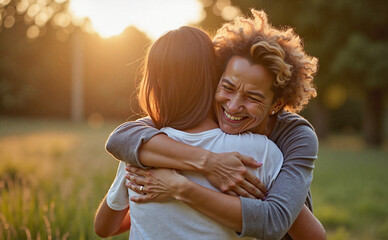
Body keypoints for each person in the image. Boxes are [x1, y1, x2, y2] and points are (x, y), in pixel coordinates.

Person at [104, 10, 325, 240]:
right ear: (216, 79)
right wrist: (210, 164)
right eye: (227, 88)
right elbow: (123, 138)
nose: (233, 106)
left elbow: (279, 221)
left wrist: (179, 188)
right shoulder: (209, 108)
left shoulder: (296, 136)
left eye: (252, 98)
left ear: (277, 104)